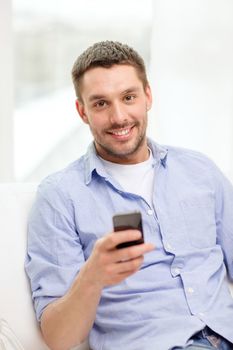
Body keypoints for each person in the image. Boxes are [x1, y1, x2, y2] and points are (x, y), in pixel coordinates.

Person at [25, 41, 233, 350]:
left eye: (128, 97)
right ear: (82, 111)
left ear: (148, 96)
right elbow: (59, 337)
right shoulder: (59, 197)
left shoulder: (199, 170)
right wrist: (93, 275)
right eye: (101, 104)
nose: (119, 117)